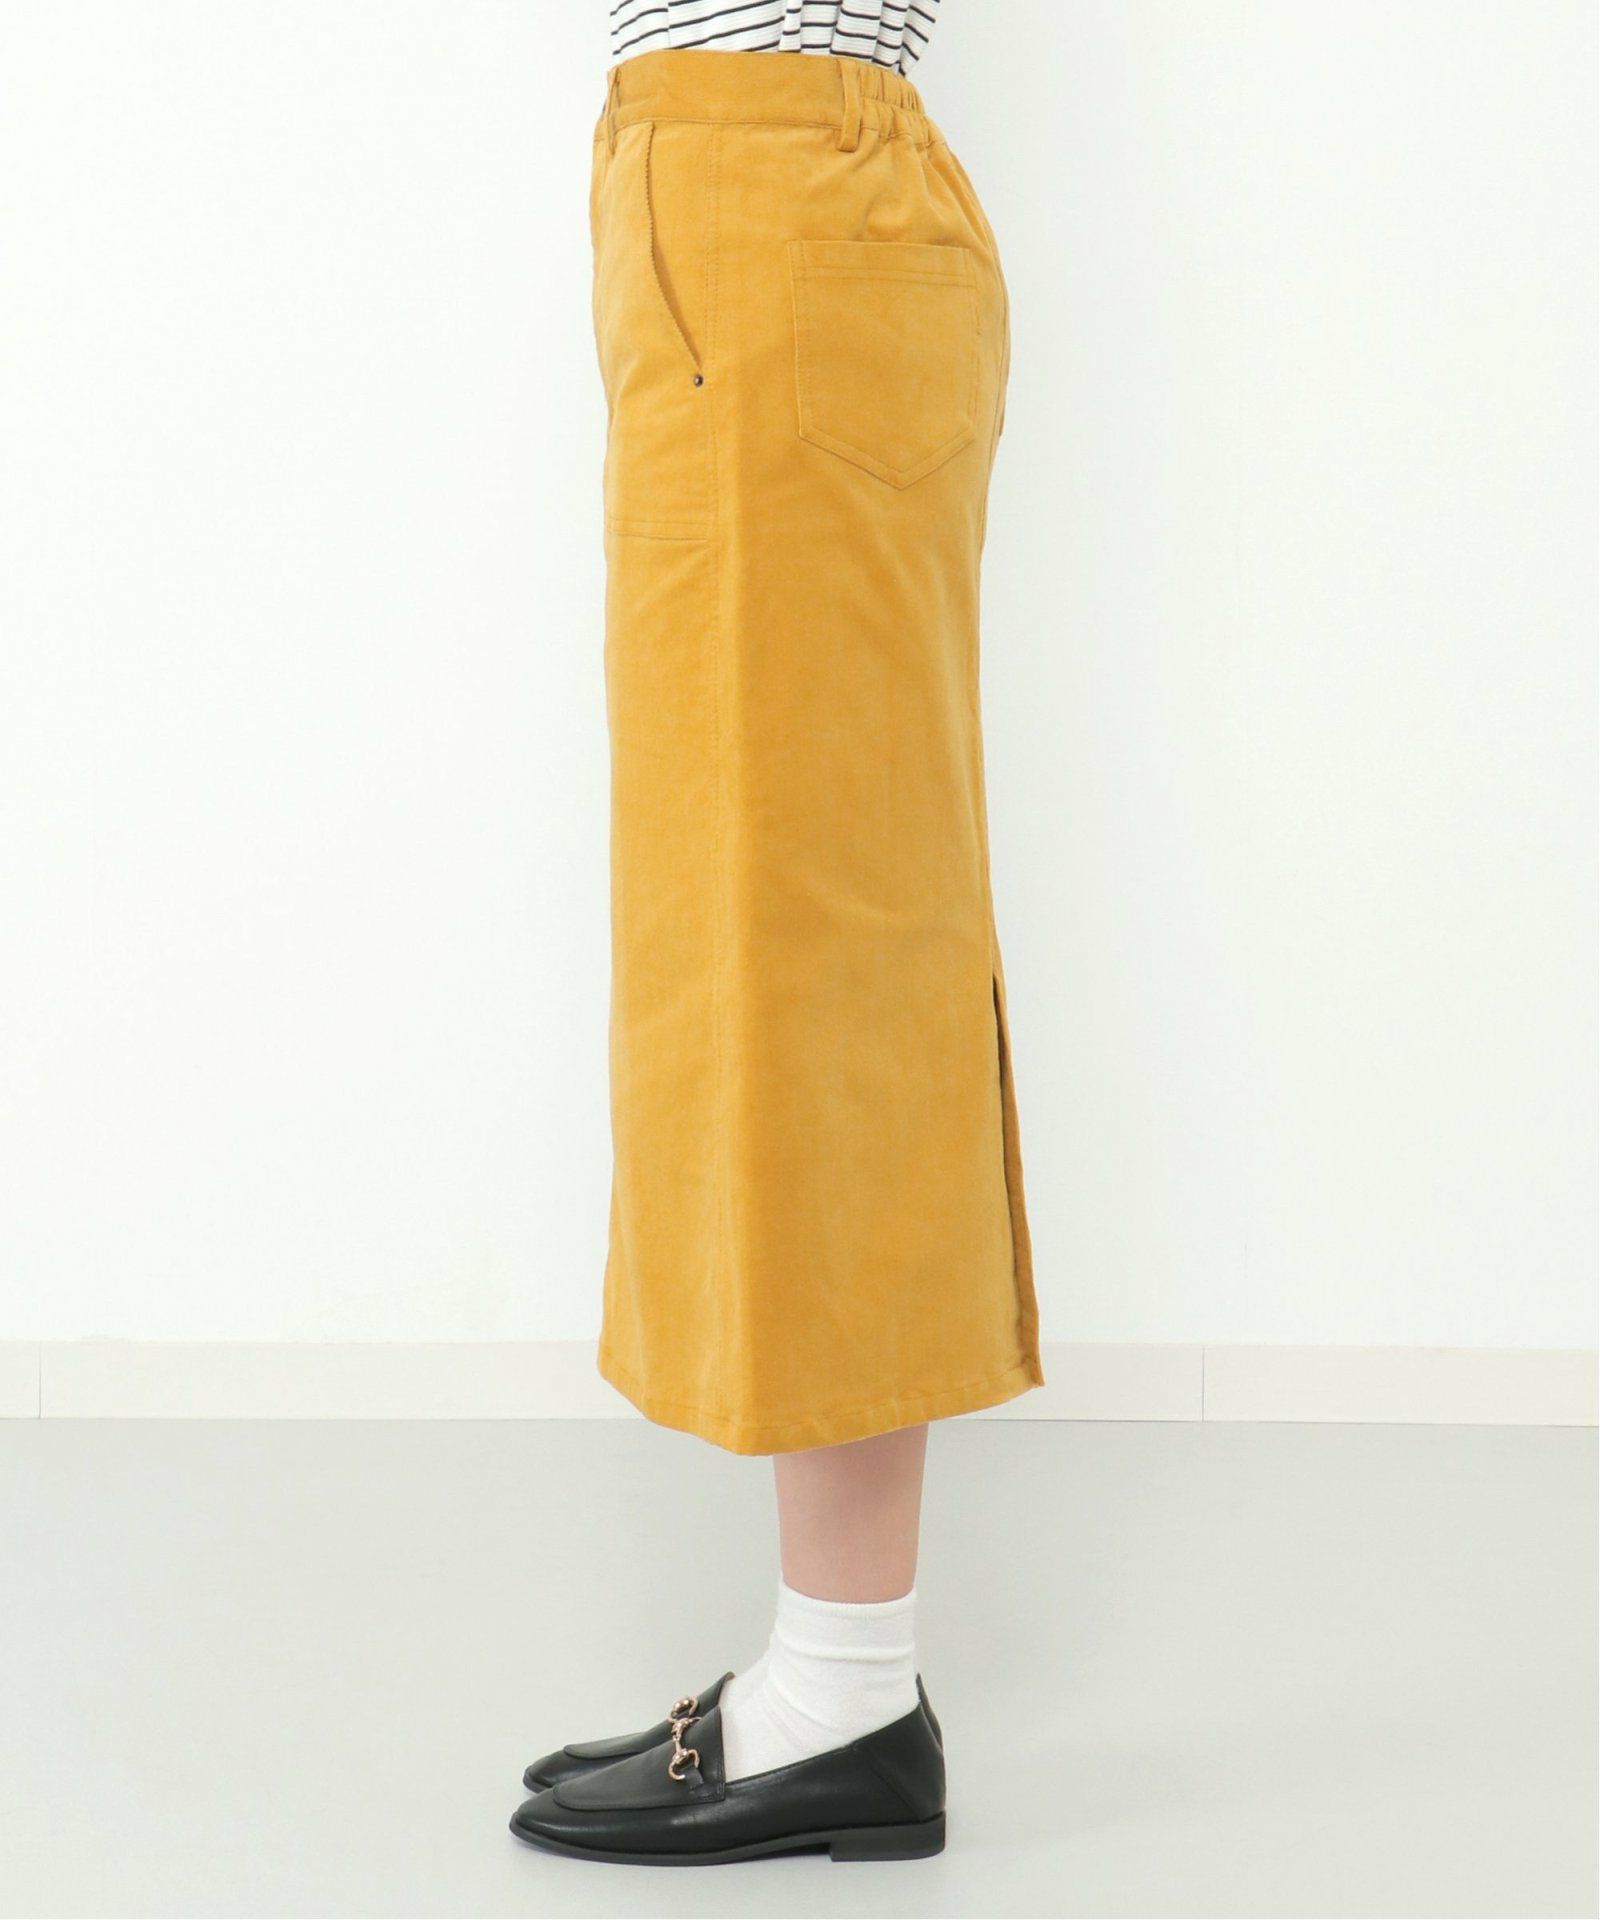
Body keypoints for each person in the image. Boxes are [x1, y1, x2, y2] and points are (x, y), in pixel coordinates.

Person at [510, 1, 1042, 1865]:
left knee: (817, 953)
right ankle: (838, 1676)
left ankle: (848, 1691)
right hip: (738, 192)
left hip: (778, 187)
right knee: (764, 933)